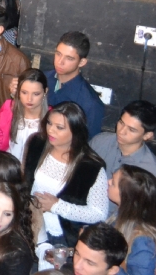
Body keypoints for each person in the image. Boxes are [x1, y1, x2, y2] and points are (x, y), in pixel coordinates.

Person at [25, 102, 109, 262]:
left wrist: (57, 206)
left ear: (75, 131)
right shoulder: (37, 143)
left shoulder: (90, 167)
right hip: (30, 225)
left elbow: (98, 214)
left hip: (62, 238)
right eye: (49, 123)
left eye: (59, 127)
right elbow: (26, 183)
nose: (51, 130)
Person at [90, 100, 156, 218]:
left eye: (131, 130)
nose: (121, 131)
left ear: (147, 135)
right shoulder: (100, 141)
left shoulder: (155, 172)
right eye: (121, 123)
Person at [107, 165, 156, 275]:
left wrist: (112, 270)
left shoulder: (144, 242)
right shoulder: (118, 217)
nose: (108, 182)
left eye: (113, 183)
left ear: (126, 196)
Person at [45, 31, 105, 137]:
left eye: (69, 58)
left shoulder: (91, 103)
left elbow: (89, 142)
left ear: (81, 62)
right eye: (58, 54)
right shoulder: (41, 80)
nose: (60, 62)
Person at [0, 68, 48, 161]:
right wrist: (2, 146)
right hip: (10, 163)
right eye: (24, 92)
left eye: (36, 94)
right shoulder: (9, 108)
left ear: (45, 91)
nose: (29, 99)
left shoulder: (51, 117)